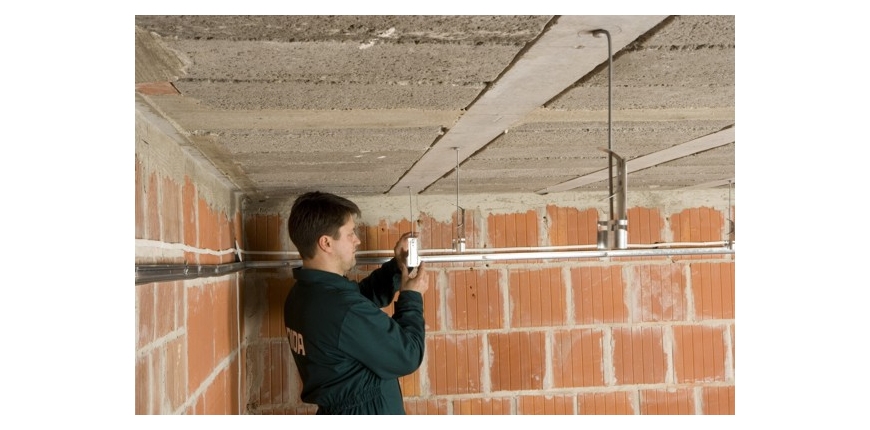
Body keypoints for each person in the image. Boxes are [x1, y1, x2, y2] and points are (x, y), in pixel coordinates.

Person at [283, 191, 429, 415]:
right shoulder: (339, 307)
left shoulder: (302, 295)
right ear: (326, 243)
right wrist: (411, 297)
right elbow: (407, 356)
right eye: (350, 233)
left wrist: (396, 267)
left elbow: (358, 302)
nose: (357, 240)